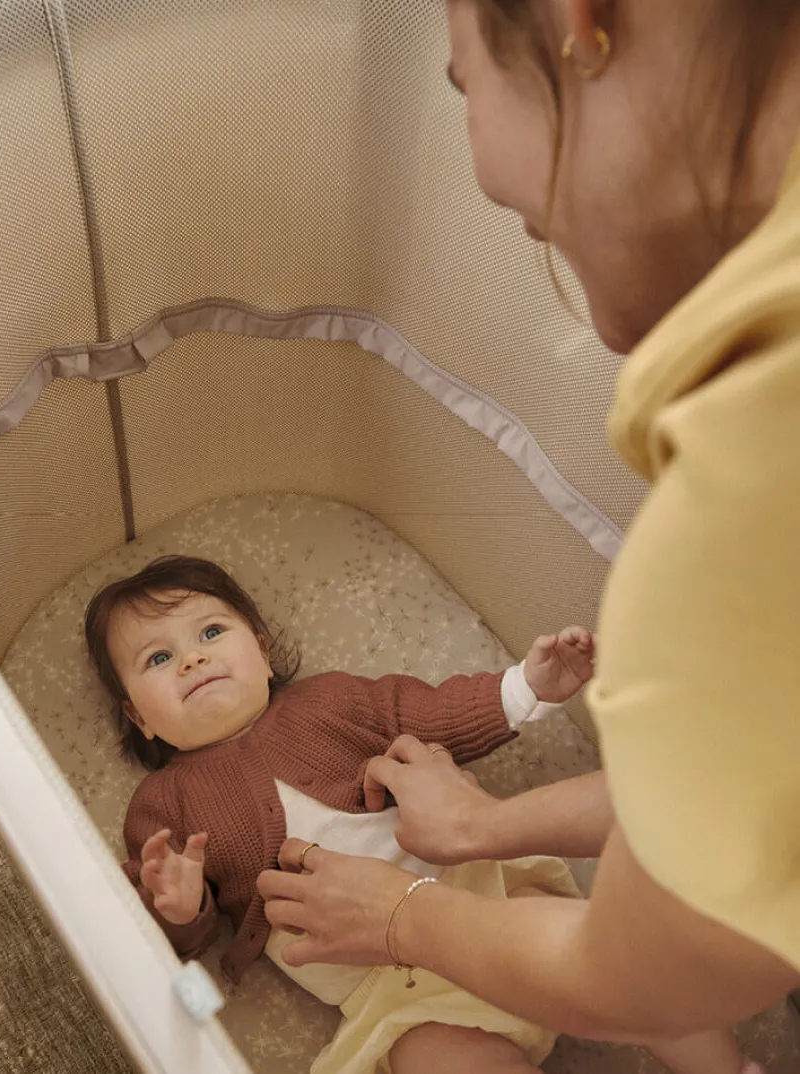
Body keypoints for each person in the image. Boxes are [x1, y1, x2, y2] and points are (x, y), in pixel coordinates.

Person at [256, 0, 800, 1053]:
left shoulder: (745, 508)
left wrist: (401, 912)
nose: (478, 169)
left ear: (579, 21)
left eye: (463, 83)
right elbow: (738, 786)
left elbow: (643, 979)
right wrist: (481, 824)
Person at [84, 555, 753, 1074]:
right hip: (393, 994)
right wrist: (178, 908)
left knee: (625, 962)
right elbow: (175, 939)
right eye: (159, 658)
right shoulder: (161, 805)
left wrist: (526, 687)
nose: (193, 658)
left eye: (210, 632)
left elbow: (431, 716)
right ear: (140, 717)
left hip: (484, 897)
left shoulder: (330, 701)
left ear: (261, 650)